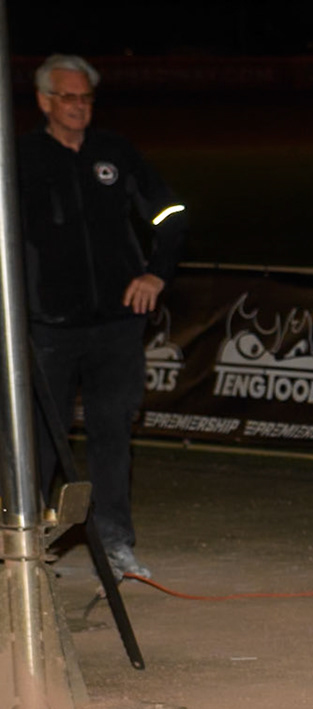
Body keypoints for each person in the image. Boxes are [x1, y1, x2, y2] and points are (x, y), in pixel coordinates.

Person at [19, 53, 188, 580]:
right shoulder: (20, 157)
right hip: (48, 328)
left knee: (112, 432)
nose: (79, 107)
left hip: (118, 325)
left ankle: (115, 545)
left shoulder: (114, 152)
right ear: (45, 101)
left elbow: (172, 214)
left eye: (86, 98)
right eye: (68, 97)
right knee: (39, 441)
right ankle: (28, 549)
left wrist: (156, 273)